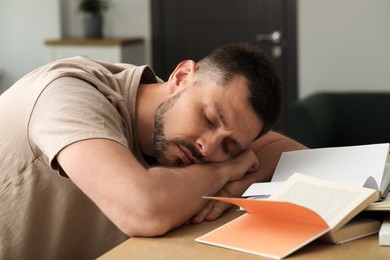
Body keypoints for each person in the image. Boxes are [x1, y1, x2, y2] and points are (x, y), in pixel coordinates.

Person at [0, 42, 305, 259]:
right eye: (210, 118)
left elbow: (293, 154)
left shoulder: (171, 119)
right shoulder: (68, 94)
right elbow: (144, 209)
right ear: (182, 77)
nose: (207, 146)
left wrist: (236, 187)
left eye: (230, 146)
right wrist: (225, 170)